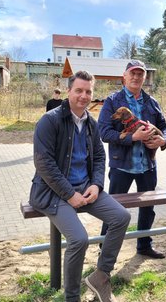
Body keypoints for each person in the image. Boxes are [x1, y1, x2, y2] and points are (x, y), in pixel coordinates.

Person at [29, 70, 130, 302]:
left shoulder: (91, 123)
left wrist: (96, 184)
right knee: (79, 240)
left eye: (88, 92)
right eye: (79, 90)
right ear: (69, 91)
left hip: (85, 188)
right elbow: (44, 164)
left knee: (121, 217)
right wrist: (69, 194)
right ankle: (72, 297)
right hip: (53, 192)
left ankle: (101, 277)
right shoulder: (50, 120)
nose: (83, 96)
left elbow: (99, 156)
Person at [98, 59, 166, 259]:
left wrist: (162, 141)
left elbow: (165, 127)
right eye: (133, 73)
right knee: (112, 208)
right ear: (125, 76)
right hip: (122, 165)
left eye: (140, 74)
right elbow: (103, 132)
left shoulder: (151, 102)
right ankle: (104, 248)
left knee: (148, 208)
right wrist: (132, 138)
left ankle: (144, 245)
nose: (136, 77)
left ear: (144, 78)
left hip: (147, 165)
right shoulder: (113, 101)